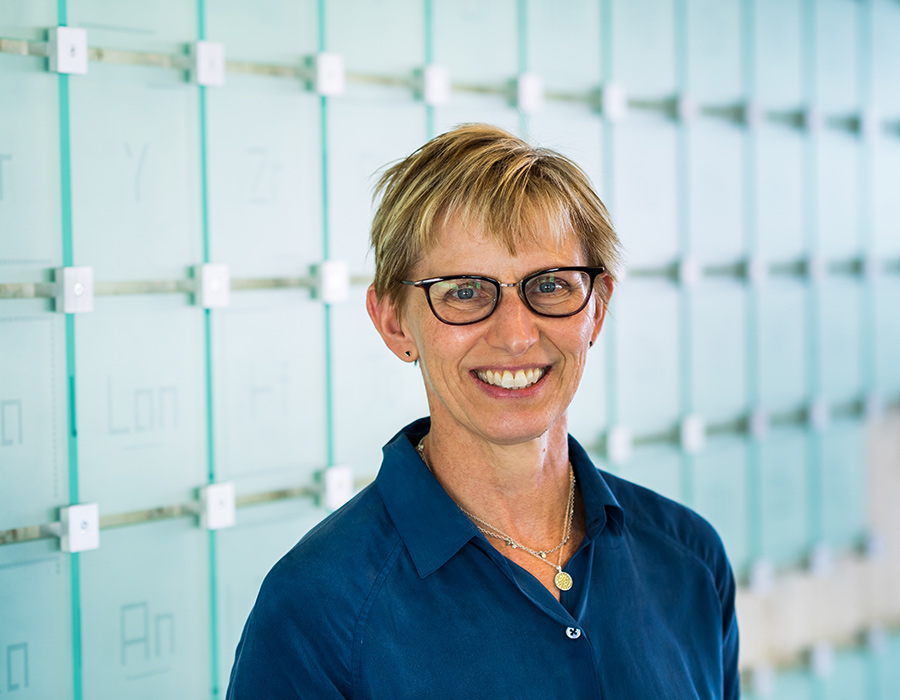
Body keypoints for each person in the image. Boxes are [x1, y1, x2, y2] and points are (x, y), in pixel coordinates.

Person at [226, 124, 739, 699]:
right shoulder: (317, 609)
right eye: (465, 292)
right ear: (394, 321)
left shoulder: (691, 562)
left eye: (550, 285)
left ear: (596, 310)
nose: (517, 335)